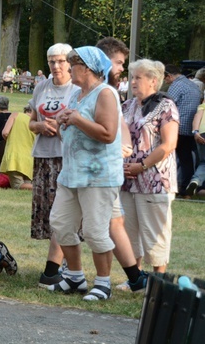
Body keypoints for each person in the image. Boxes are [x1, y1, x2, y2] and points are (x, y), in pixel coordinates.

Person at [49, 46, 122, 301]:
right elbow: (71, 131)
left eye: (73, 65)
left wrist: (77, 120)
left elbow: (108, 133)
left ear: (88, 68)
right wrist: (62, 122)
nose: (68, 69)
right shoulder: (77, 94)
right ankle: (75, 277)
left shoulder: (105, 94)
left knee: (94, 230)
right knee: (60, 222)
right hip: (71, 174)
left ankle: (103, 284)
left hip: (98, 176)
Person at [96, 37, 147, 293]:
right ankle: (135, 279)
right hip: (96, 166)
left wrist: (124, 147)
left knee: (105, 224)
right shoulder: (97, 89)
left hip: (103, 169)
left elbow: (120, 126)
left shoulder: (109, 91)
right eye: (118, 63)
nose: (120, 69)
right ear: (104, 61)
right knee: (107, 223)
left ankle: (102, 279)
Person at [121, 59, 178, 275]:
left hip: (155, 181)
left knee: (155, 231)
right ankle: (134, 276)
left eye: (138, 77)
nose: (133, 81)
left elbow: (169, 144)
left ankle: (158, 278)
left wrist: (142, 165)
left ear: (153, 81)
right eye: (132, 77)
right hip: (127, 180)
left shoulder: (166, 106)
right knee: (129, 232)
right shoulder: (127, 105)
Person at [28, 43, 74, 288]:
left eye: (61, 61)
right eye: (51, 62)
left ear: (70, 62)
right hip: (43, 157)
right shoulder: (41, 87)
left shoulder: (76, 89)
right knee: (48, 213)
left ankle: (59, 267)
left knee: (63, 212)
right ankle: (62, 264)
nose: (56, 66)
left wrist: (60, 128)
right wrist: (40, 126)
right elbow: (31, 122)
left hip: (66, 157)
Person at [164, 64, 201, 196]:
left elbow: (167, 105)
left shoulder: (176, 86)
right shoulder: (193, 85)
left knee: (172, 158)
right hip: (192, 128)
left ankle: (180, 187)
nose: (165, 82)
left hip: (178, 128)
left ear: (169, 75)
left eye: (165, 78)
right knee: (188, 160)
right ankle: (187, 188)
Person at [0, 106, 35, 190]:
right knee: (27, 183)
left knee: (17, 185)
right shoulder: (36, 123)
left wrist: (11, 140)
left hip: (14, 157)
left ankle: (41, 188)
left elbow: (5, 133)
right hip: (30, 159)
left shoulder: (15, 115)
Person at [187, 102, 205, 196]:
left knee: (203, 163)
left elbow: (198, 115)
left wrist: (196, 132)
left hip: (202, 133)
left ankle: (195, 180)